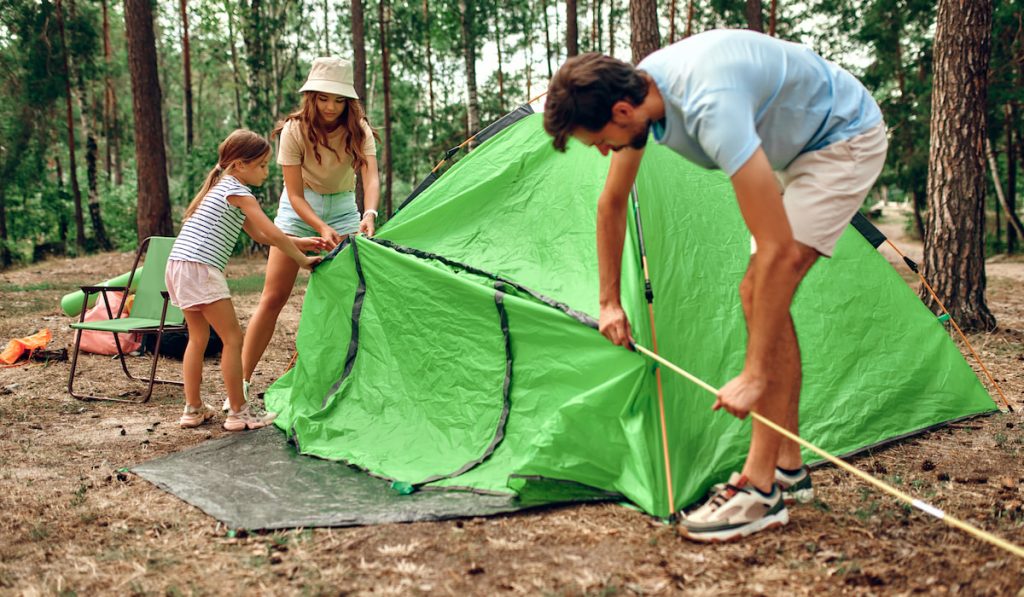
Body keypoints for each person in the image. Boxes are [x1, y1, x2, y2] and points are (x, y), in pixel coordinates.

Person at [542, 29, 887, 542]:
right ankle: (787, 463)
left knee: (760, 289)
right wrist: (609, 301)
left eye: (599, 144)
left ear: (619, 113)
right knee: (763, 294)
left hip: (843, 140)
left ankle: (760, 490)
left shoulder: (709, 105)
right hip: (793, 150)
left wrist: (751, 376)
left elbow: (777, 251)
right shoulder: (643, 98)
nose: (602, 153)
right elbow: (612, 203)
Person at [240, 57, 381, 404]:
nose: (331, 106)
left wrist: (370, 213)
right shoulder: (295, 130)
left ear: (349, 100)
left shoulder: (358, 129)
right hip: (299, 211)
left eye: (339, 99)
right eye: (323, 98)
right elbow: (294, 194)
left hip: (346, 208)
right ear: (312, 96)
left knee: (350, 299)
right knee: (273, 297)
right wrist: (319, 226)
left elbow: (371, 176)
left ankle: (346, 380)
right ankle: (238, 383)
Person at [166, 129, 321, 431]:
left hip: (178, 265)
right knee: (233, 339)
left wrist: (303, 243)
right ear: (239, 165)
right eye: (262, 165)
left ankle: (193, 408)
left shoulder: (221, 189)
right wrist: (302, 261)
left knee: (197, 338)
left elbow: (262, 236)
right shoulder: (237, 191)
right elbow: (273, 231)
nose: (267, 170)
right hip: (200, 267)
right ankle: (238, 412)